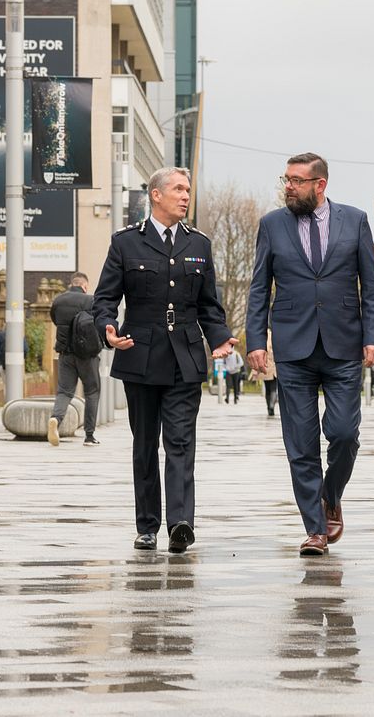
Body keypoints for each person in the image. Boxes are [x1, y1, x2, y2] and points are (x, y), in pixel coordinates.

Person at [246, 152, 374, 556]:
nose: (287, 187)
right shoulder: (272, 225)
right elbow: (259, 289)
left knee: (343, 434)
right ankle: (315, 529)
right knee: (301, 442)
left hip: (344, 346)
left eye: (296, 181)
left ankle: (331, 495)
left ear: (319, 185)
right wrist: (257, 341)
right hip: (293, 348)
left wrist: (373, 336)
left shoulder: (354, 220)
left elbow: (371, 286)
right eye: (286, 179)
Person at [93, 167, 236, 554]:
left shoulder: (199, 245)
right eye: (178, 189)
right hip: (139, 354)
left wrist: (220, 339)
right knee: (145, 445)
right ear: (156, 195)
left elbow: (209, 305)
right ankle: (147, 526)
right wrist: (107, 327)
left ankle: (181, 523)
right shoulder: (126, 244)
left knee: (180, 441)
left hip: (185, 357)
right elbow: (104, 299)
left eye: (188, 189)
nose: (185, 196)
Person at [49, 272, 101, 447]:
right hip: (87, 355)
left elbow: (55, 320)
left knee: (64, 391)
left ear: (72, 284)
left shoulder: (58, 300)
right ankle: (89, 435)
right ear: (84, 286)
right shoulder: (90, 301)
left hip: (65, 354)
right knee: (92, 392)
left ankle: (56, 419)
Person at [250, 335, 278, 417]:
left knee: (268, 389)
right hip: (273, 367)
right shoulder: (274, 336)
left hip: (264, 367)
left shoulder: (262, 337)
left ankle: (269, 407)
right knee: (273, 388)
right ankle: (272, 406)